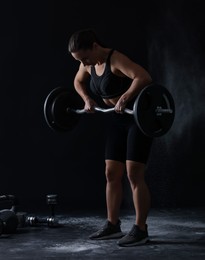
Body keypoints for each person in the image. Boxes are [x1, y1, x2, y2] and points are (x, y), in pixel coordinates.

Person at [68, 28, 153, 247]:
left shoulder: (116, 59)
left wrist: (125, 98)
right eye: (80, 60)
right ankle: (113, 225)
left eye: (85, 57)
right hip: (116, 119)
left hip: (137, 118)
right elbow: (78, 82)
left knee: (134, 174)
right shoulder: (87, 63)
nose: (84, 63)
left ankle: (141, 229)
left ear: (95, 46)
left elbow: (143, 77)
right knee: (111, 172)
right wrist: (86, 98)